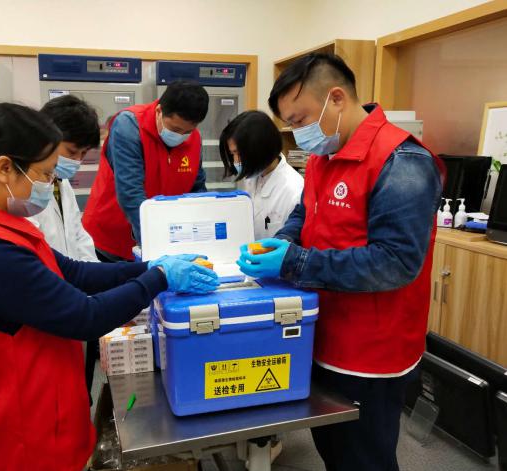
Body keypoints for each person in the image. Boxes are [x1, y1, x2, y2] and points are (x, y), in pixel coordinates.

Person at [0, 103, 218, 471]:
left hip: (43, 407)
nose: (51, 183)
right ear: (4, 168)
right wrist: (160, 278)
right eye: (45, 173)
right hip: (21, 440)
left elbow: (74, 271)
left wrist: (149, 266)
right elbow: (85, 317)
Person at [237, 53, 445, 471]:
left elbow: (395, 262)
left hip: (371, 351)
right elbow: (305, 212)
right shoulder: (323, 156)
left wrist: (294, 262)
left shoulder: (401, 162)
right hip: (325, 332)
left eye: (300, 120)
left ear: (335, 98)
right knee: (333, 449)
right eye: (290, 124)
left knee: (364, 457)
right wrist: (283, 242)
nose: (299, 134)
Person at [83, 80, 209, 262]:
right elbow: (131, 193)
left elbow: (197, 191)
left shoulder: (193, 138)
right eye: (175, 129)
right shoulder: (129, 125)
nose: (181, 136)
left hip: (166, 240)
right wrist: (155, 248)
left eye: (188, 131)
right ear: (159, 111)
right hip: (113, 238)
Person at [28, 94, 100, 261]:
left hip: (70, 273)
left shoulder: (61, 182)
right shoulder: (23, 186)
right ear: (46, 137)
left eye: (83, 153)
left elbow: (78, 236)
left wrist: (94, 271)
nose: (77, 160)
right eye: (72, 152)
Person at [219, 110, 304, 239]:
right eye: (233, 154)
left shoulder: (294, 191)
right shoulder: (254, 176)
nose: (236, 161)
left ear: (261, 148)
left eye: (239, 153)